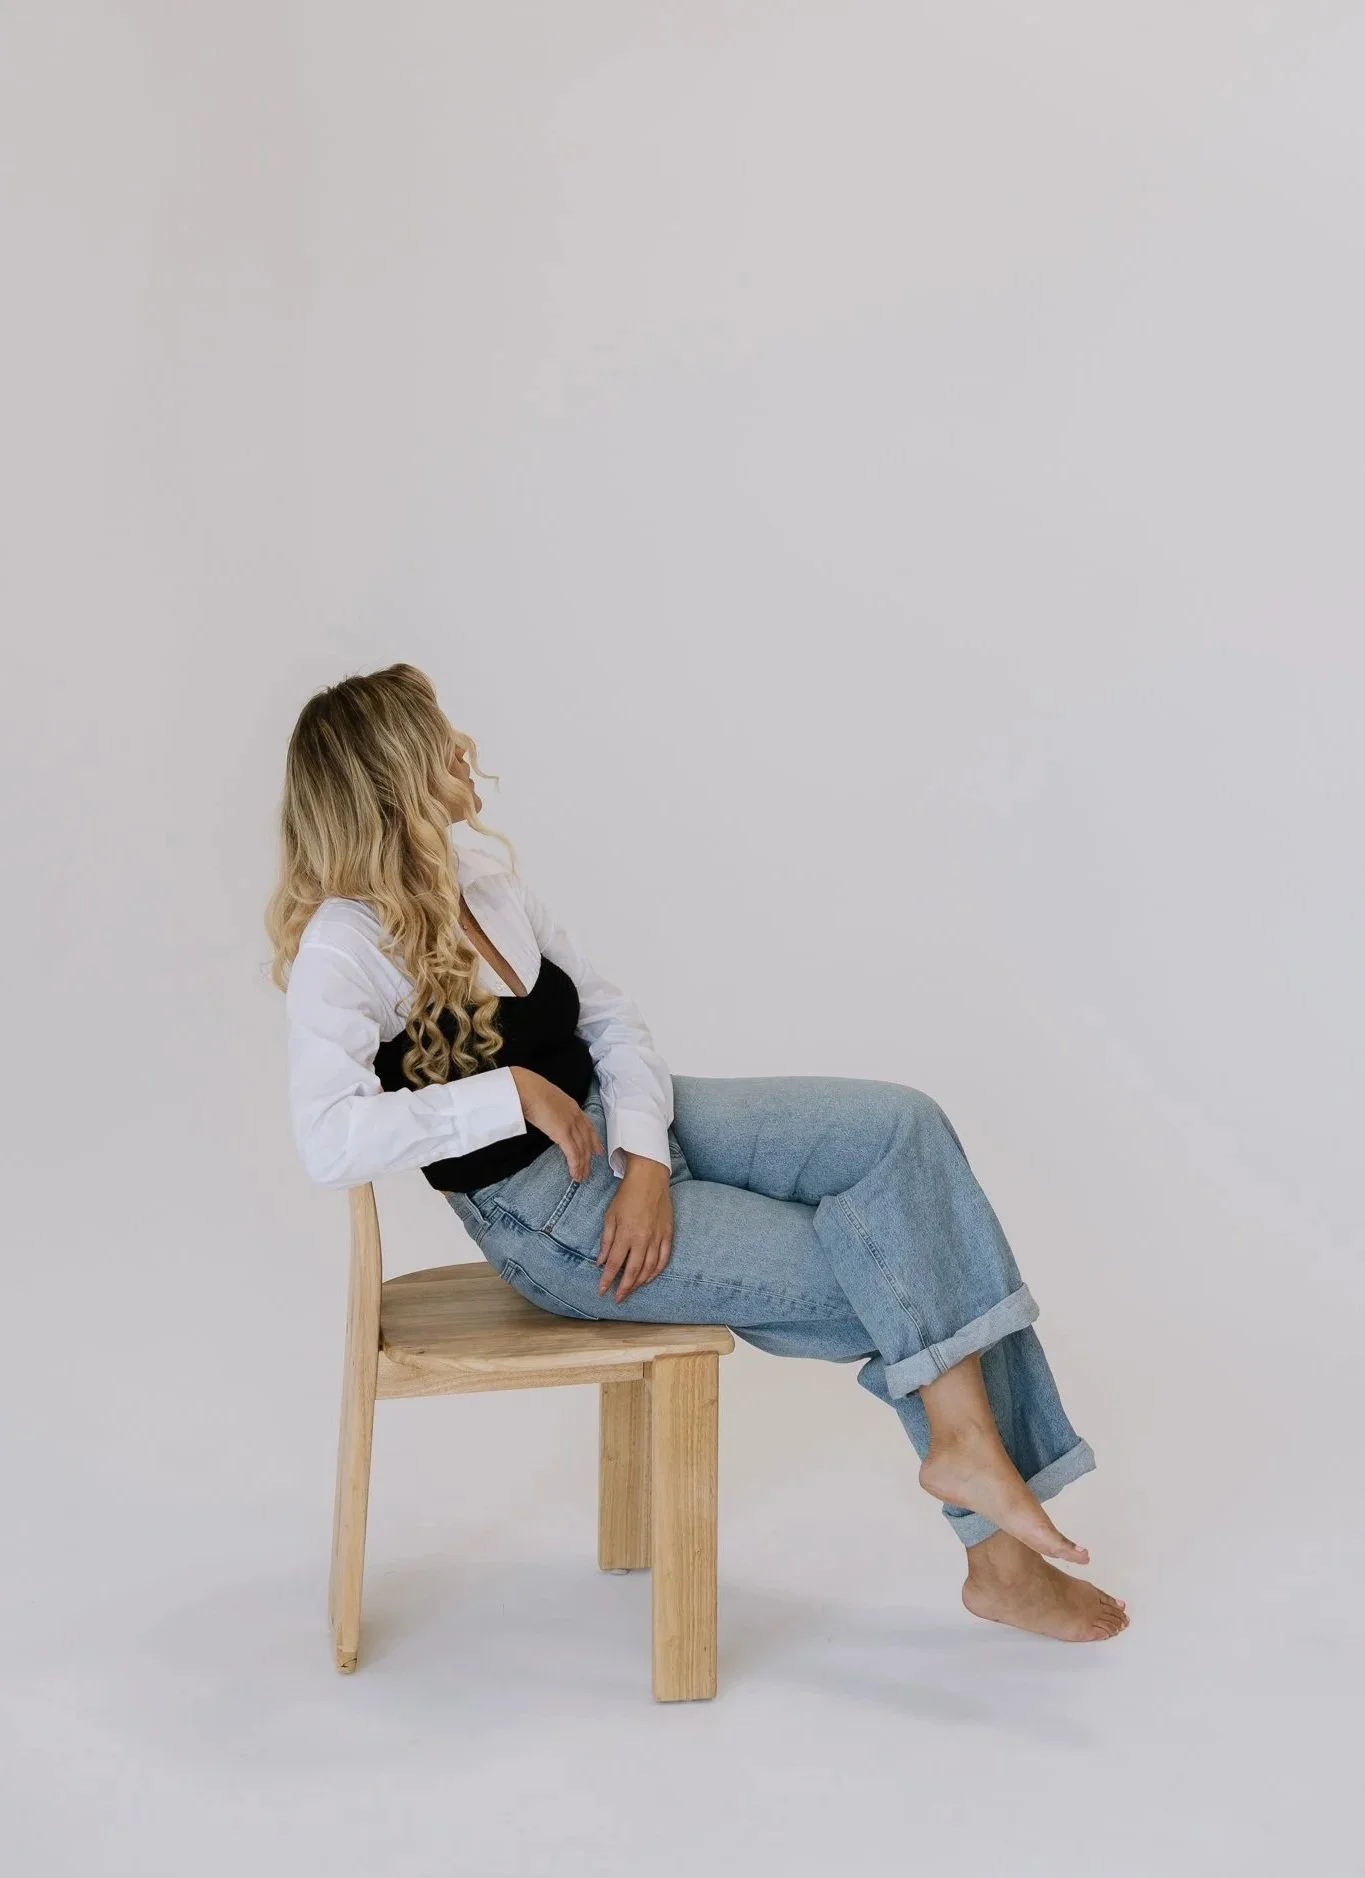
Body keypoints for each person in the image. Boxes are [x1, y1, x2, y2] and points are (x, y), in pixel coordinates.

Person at [266, 663, 1128, 1644]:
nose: (463, 746)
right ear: (390, 774)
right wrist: (506, 1091)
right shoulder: (346, 947)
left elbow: (612, 1020)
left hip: (626, 1135)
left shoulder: (483, 880)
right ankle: (1001, 1559)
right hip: (553, 1223)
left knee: (902, 1130)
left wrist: (643, 1157)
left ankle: (971, 1453)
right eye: (437, 735)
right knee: (898, 1258)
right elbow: (328, 1137)